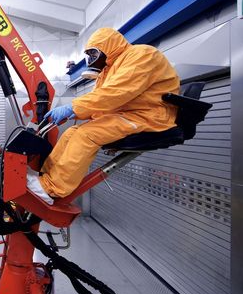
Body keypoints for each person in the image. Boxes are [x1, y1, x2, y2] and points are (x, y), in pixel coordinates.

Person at [27, 27, 180, 204]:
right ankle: (44, 176)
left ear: (109, 47)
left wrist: (73, 108)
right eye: (89, 55)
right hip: (128, 115)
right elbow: (101, 102)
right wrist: (74, 114)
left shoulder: (142, 55)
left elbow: (114, 94)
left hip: (149, 116)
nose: (90, 60)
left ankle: (51, 188)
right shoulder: (108, 71)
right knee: (72, 132)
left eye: (94, 53)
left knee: (86, 135)